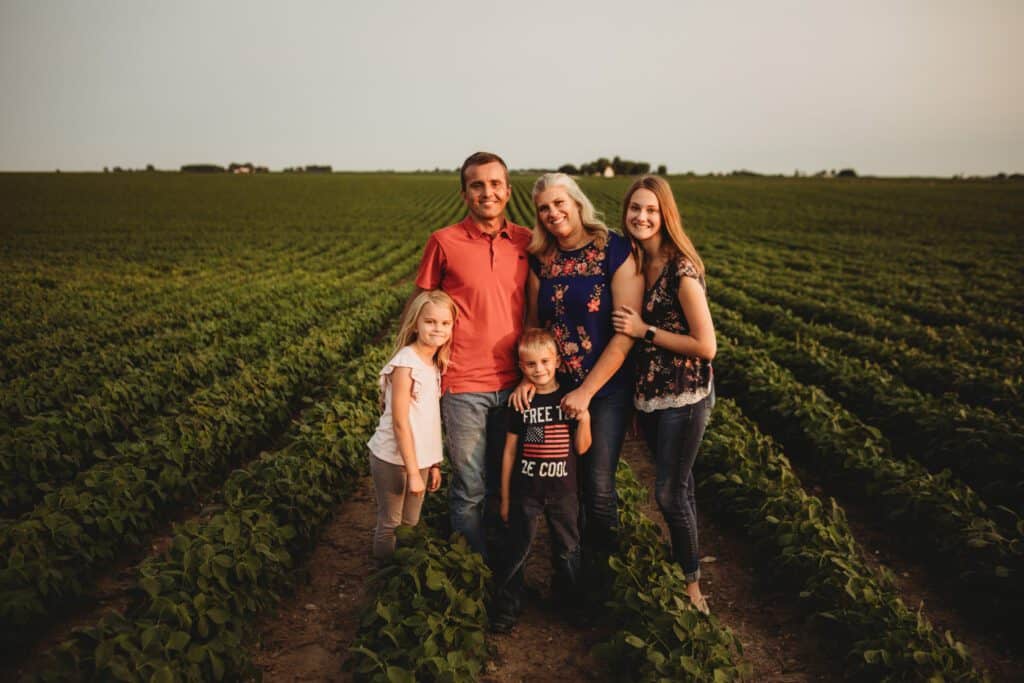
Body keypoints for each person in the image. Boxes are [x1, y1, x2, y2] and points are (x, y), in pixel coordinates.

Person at [513, 172, 643, 562]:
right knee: (561, 483)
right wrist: (528, 377)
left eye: (559, 203)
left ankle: (605, 573)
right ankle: (569, 570)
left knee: (598, 483)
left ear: (576, 202)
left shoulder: (614, 250)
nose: (552, 213)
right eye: (543, 209)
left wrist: (586, 392)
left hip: (604, 389)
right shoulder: (543, 260)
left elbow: (626, 333)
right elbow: (534, 326)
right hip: (556, 389)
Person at [412, 152, 532, 557]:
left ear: (508, 191)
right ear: (464, 193)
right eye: (478, 185)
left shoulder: (527, 241)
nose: (488, 192)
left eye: (495, 184)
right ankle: (471, 569)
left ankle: (506, 570)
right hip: (463, 383)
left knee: (511, 485)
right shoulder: (444, 241)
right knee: (469, 486)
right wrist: (408, 371)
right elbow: (419, 309)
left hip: (519, 384)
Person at [611, 175, 716, 614]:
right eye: (635, 208)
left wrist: (644, 330)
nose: (641, 216)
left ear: (665, 214)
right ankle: (683, 565)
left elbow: (706, 346)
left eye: (651, 210)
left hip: (685, 396)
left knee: (670, 494)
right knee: (681, 487)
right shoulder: (636, 262)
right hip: (651, 397)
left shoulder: (681, 270)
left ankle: (692, 590)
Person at [492, 328, 592, 633]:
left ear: (558, 361)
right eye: (531, 364)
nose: (540, 369)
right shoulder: (522, 404)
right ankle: (508, 605)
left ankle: (572, 602)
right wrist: (506, 498)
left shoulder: (569, 399)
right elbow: (511, 453)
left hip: (563, 492)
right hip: (527, 491)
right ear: (522, 368)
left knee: (567, 548)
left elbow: (581, 447)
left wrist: (585, 418)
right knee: (519, 547)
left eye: (545, 361)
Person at [366, 289, 456, 560]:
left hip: (420, 461)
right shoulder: (406, 363)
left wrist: (434, 463)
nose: (437, 329)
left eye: (445, 323)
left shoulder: (433, 363)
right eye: (430, 322)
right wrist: (414, 472)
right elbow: (401, 423)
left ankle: (399, 573)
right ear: (415, 323)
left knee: (411, 524)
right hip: (395, 458)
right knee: (391, 524)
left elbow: (428, 420)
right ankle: (382, 580)